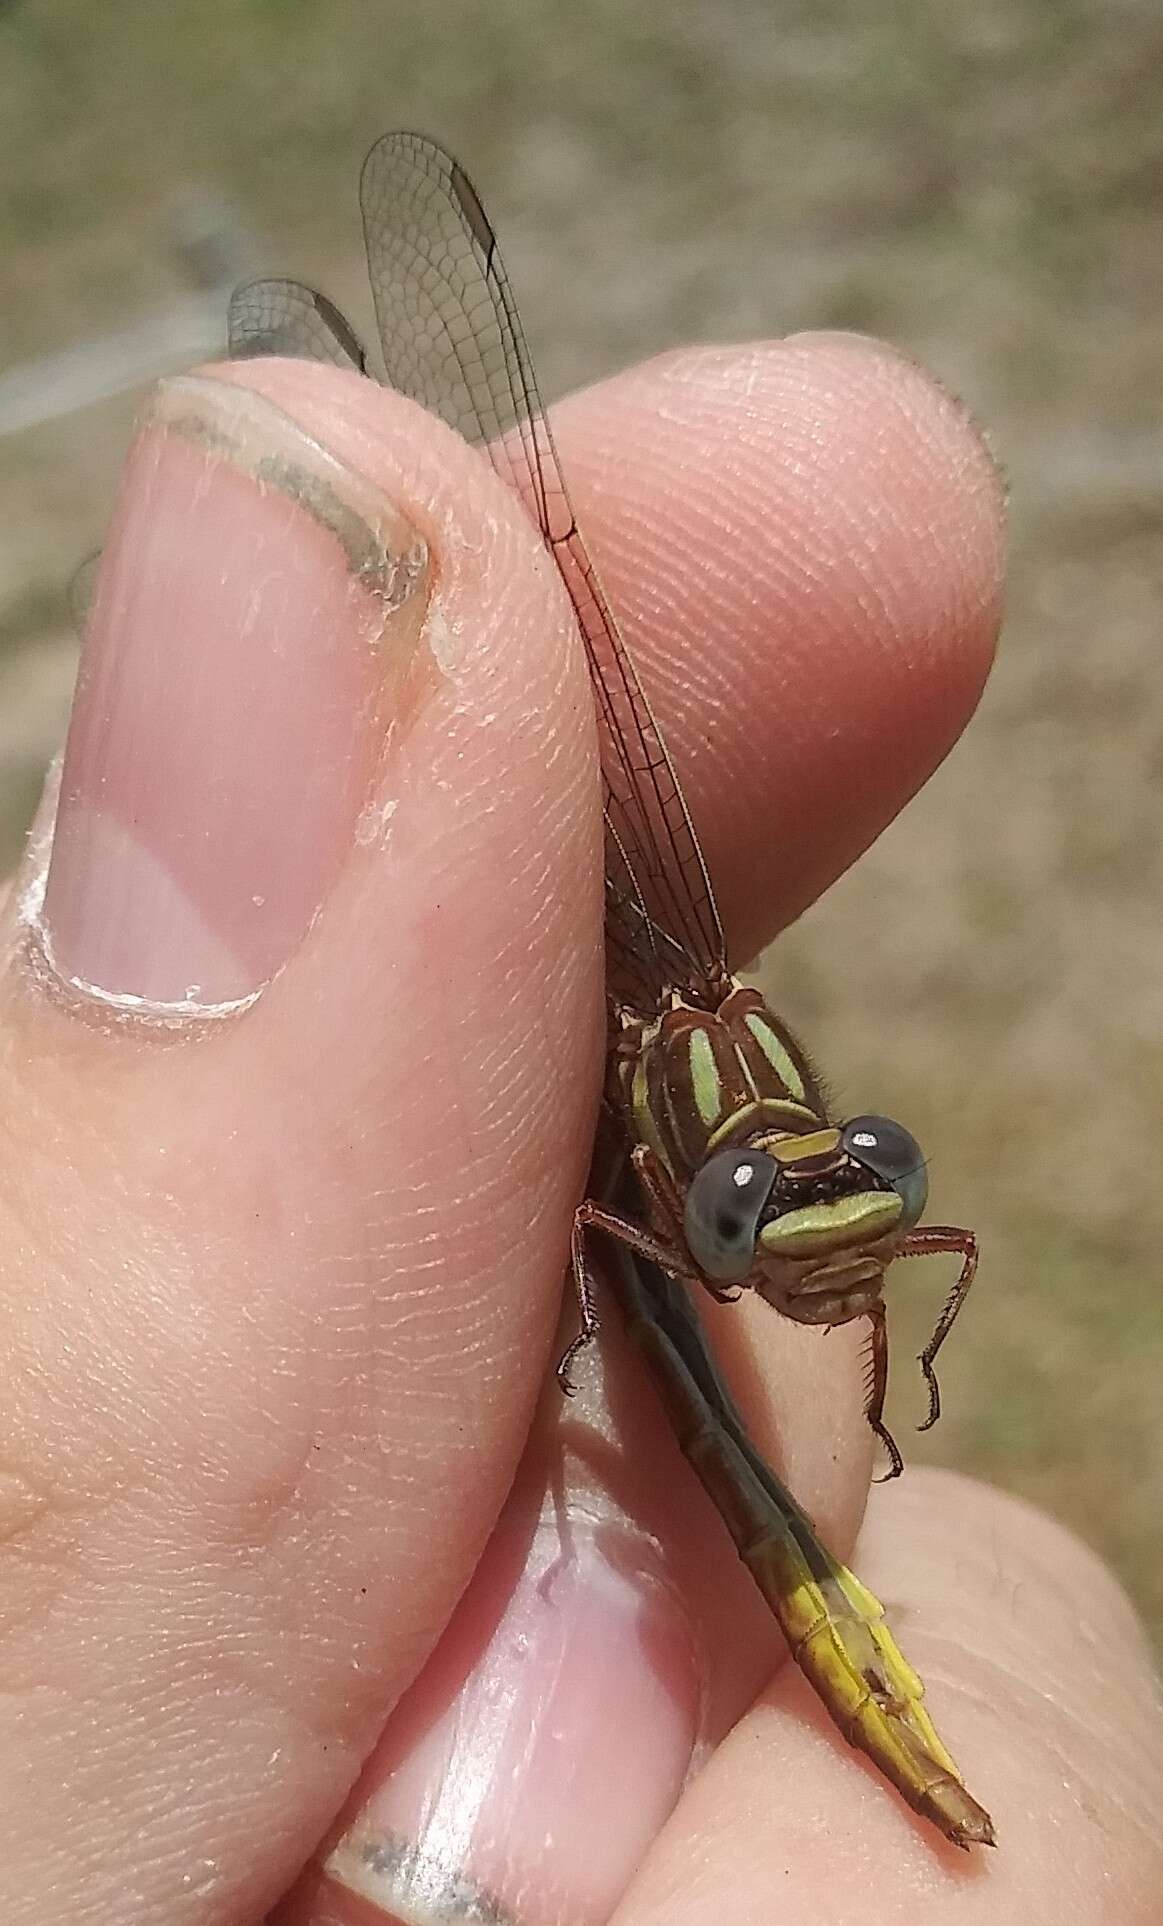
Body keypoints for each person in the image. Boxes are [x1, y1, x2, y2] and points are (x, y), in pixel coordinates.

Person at [3, 333, 1159, 1924]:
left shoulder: (779, 1189)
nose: (850, 1213)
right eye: (798, 1197)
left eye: (860, 1182)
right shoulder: (645, 1139)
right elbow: (606, 1222)